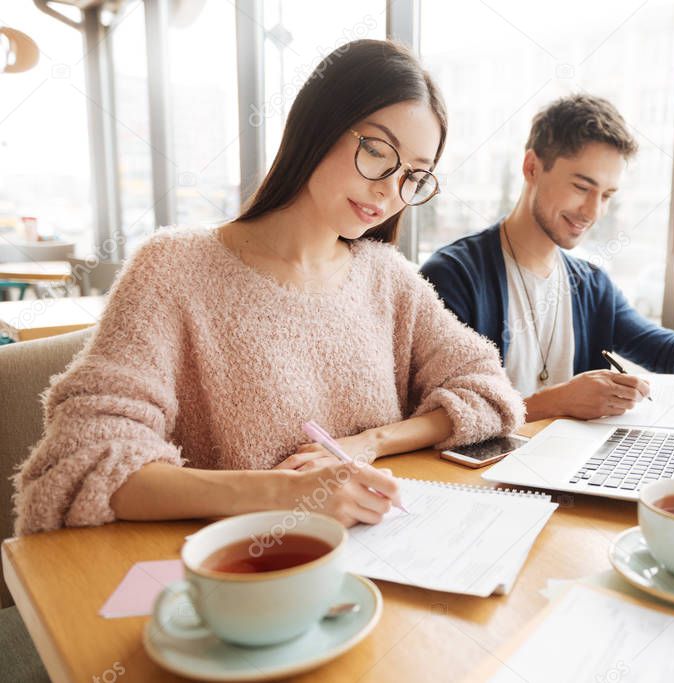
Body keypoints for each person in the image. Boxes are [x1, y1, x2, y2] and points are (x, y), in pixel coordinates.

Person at [13, 40, 523, 535]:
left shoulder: (386, 276)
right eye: (377, 151)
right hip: (237, 575)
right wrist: (284, 494)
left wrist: (371, 443)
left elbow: (487, 390)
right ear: (318, 126)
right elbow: (86, 460)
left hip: (374, 559)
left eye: (415, 175)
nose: (390, 190)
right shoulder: (173, 269)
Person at [421, 94, 674, 421]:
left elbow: (663, 348)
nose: (593, 212)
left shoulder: (590, 285)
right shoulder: (453, 277)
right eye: (582, 187)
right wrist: (558, 401)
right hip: (479, 486)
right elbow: (437, 418)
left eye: (607, 195)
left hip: (566, 477)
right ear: (531, 167)